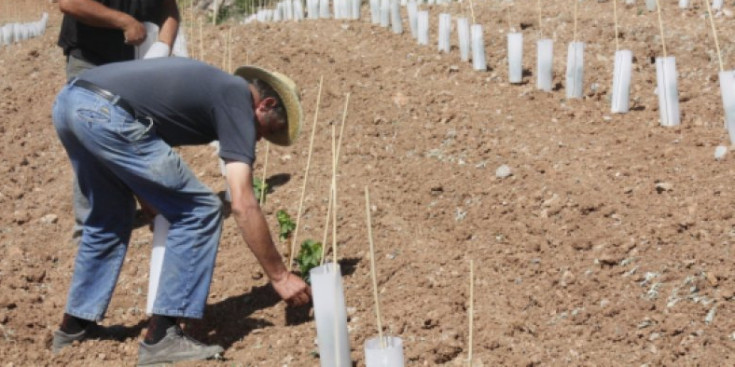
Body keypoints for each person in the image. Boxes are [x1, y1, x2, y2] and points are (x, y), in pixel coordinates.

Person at [50, 57, 312, 365]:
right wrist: (280, 277)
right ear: (265, 105)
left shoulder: (213, 88)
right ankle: (162, 337)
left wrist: (151, 199)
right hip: (106, 113)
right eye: (269, 130)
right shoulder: (236, 97)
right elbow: (242, 202)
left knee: (108, 219)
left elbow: (145, 136)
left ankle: (74, 328)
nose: (260, 139)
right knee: (200, 211)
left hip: (72, 103)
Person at [57, 0, 181, 243]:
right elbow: (70, 3)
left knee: (137, 132)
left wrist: (164, 46)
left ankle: (150, 208)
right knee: (91, 135)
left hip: (130, 62)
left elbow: (169, 9)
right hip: (89, 60)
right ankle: (89, 227)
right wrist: (124, 21)